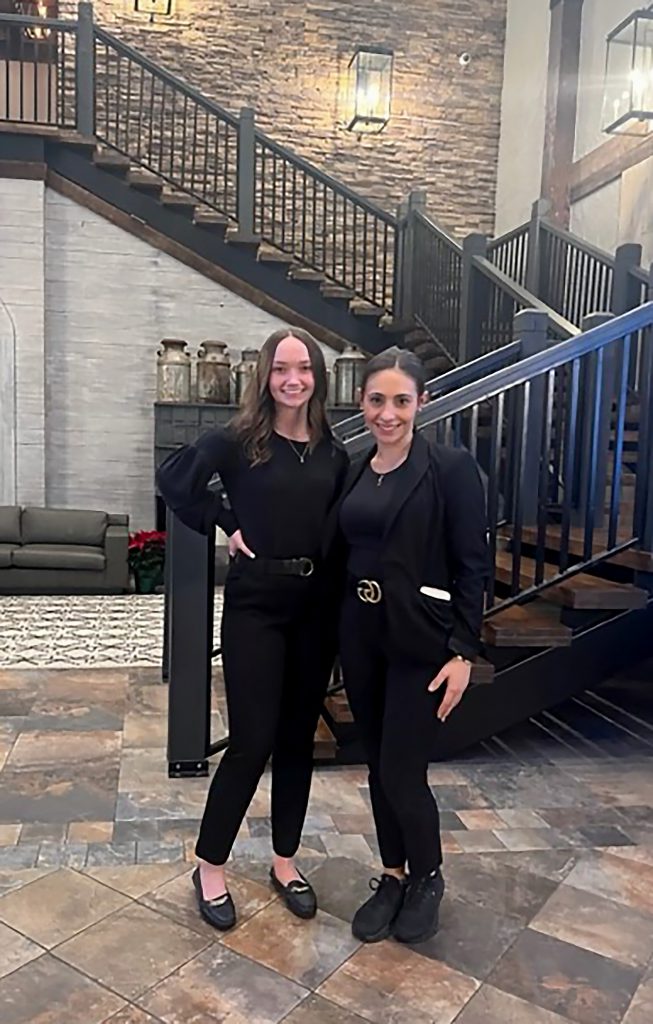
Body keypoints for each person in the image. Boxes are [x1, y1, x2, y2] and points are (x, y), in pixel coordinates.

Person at [156, 327, 348, 931]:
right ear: (265, 376)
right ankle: (209, 864)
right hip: (256, 606)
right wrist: (222, 519)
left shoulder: (333, 452)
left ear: (317, 376)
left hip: (315, 608)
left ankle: (285, 861)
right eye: (281, 369)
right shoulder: (239, 440)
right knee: (251, 741)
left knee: (299, 741)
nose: (293, 379)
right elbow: (175, 481)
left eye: (305, 368)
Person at [335, 346, 488, 945]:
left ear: (421, 403)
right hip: (361, 634)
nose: (388, 413)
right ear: (363, 403)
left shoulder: (449, 469)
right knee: (376, 763)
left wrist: (462, 652)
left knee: (402, 770)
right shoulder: (354, 467)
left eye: (401, 400)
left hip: (421, 641)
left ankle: (428, 876)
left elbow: (472, 565)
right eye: (377, 400)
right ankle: (392, 875)